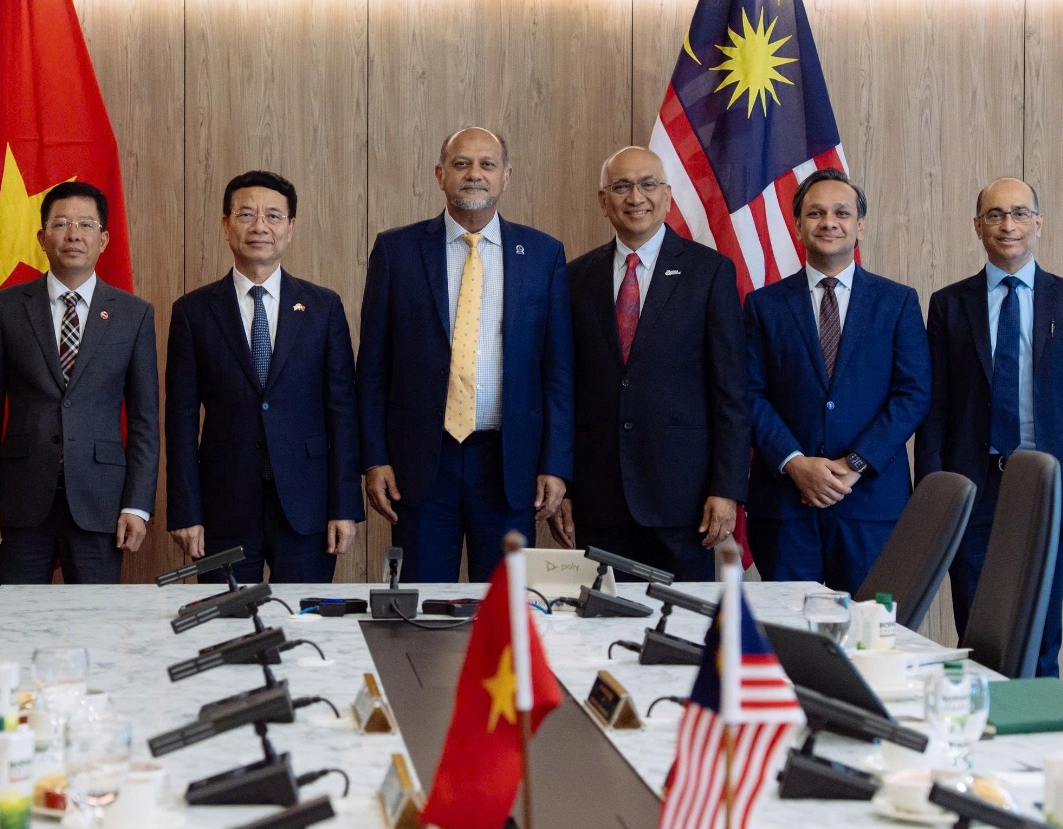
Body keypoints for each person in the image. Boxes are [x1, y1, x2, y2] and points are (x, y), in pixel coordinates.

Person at [355, 127, 573, 581]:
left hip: (510, 465)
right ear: (440, 175)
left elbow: (557, 372)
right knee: (421, 605)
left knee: (505, 606)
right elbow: (373, 367)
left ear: (506, 176)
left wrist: (555, 464)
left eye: (487, 164)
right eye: (461, 164)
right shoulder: (396, 251)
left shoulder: (542, 254)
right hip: (421, 465)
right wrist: (374, 458)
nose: (475, 174)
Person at [915, 178, 1063, 677]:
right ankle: (985, 724)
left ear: (1038, 223)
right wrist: (933, 494)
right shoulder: (948, 304)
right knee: (977, 634)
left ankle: (1039, 727)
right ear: (977, 226)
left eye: (1020, 213)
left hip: (1046, 489)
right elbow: (936, 409)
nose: (1008, 225)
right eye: (995, 215)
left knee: (1041, 635)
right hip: (973, 488)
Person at [553, 146, 748, 580]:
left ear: (667, 195)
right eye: (621, 186)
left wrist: (727, 488)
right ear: (603, 200)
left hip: (684, 500)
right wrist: (562, 481)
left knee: (683, 618)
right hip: (598, 498)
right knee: (602, 617)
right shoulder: (574, 278)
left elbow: (731, 392)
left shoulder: (710, 272)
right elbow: (564, 389)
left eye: (647, 184)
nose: (635, 197)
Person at [165, 171, 362, 582]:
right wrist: (185, 510)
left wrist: (344, 505)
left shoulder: (323, 308)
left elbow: (342, 412)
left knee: (302, 617)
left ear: (290, 229)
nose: (259, 226)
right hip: (224, 508)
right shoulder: (193, 312)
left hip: (307, 505)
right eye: (246, 214)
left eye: (273, 216)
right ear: (226, 225)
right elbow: (180, 420)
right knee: (226, 617)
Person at [744, 168, 930, 593]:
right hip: (786, 505)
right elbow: (749, 394)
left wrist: (855, 464)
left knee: (870, 628)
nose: (829, 222)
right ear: (797, 226)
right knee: (787, 628)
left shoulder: (898, 302)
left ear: (859, 226)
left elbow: (914, 394)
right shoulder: (763, 306)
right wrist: (795, 463)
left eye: (841, 213)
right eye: (816, 213)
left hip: (870, 506)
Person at [0, 181, 159, 586]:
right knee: (17, 618)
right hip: (20, 497)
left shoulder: (134, 315)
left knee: (95, 619)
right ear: (42, 238)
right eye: (61, 224)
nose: (73, 234)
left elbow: (144, 421)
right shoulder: (5, 309)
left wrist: (137, 505)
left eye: (86, 225)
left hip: (101, 500)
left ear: (103, 240)